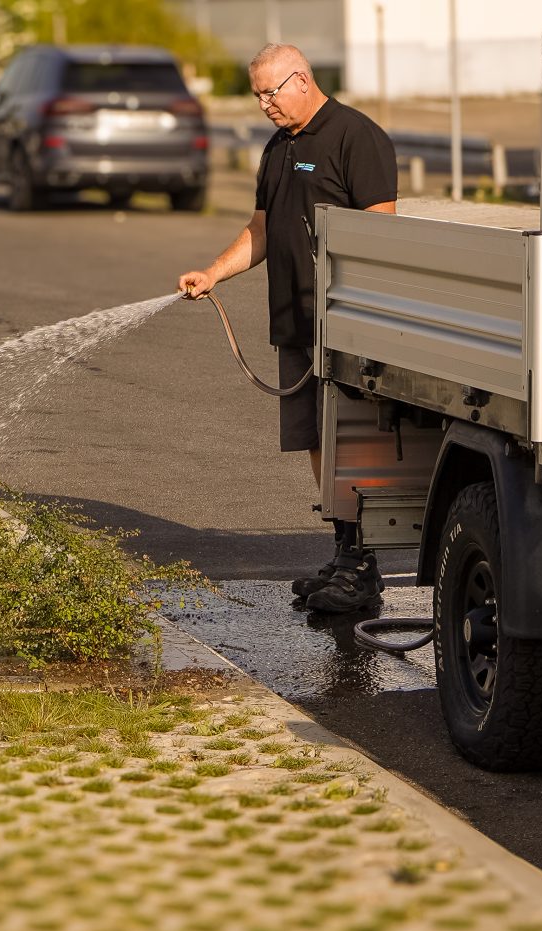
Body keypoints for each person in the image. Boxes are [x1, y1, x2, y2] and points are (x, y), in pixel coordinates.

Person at [177, 44, 397, 614]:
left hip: (344, 325)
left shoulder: (356, 136)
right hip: (294, 322)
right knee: (315, 440)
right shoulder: (279, 148)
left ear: (301, 80)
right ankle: (345, 552)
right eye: (256, 95)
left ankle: (364, 567)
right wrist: (213, 273)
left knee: (353, 441)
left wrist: (357, 313)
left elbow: (382, 233)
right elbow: (261, 229)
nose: (263, 104)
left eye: (270, 92)